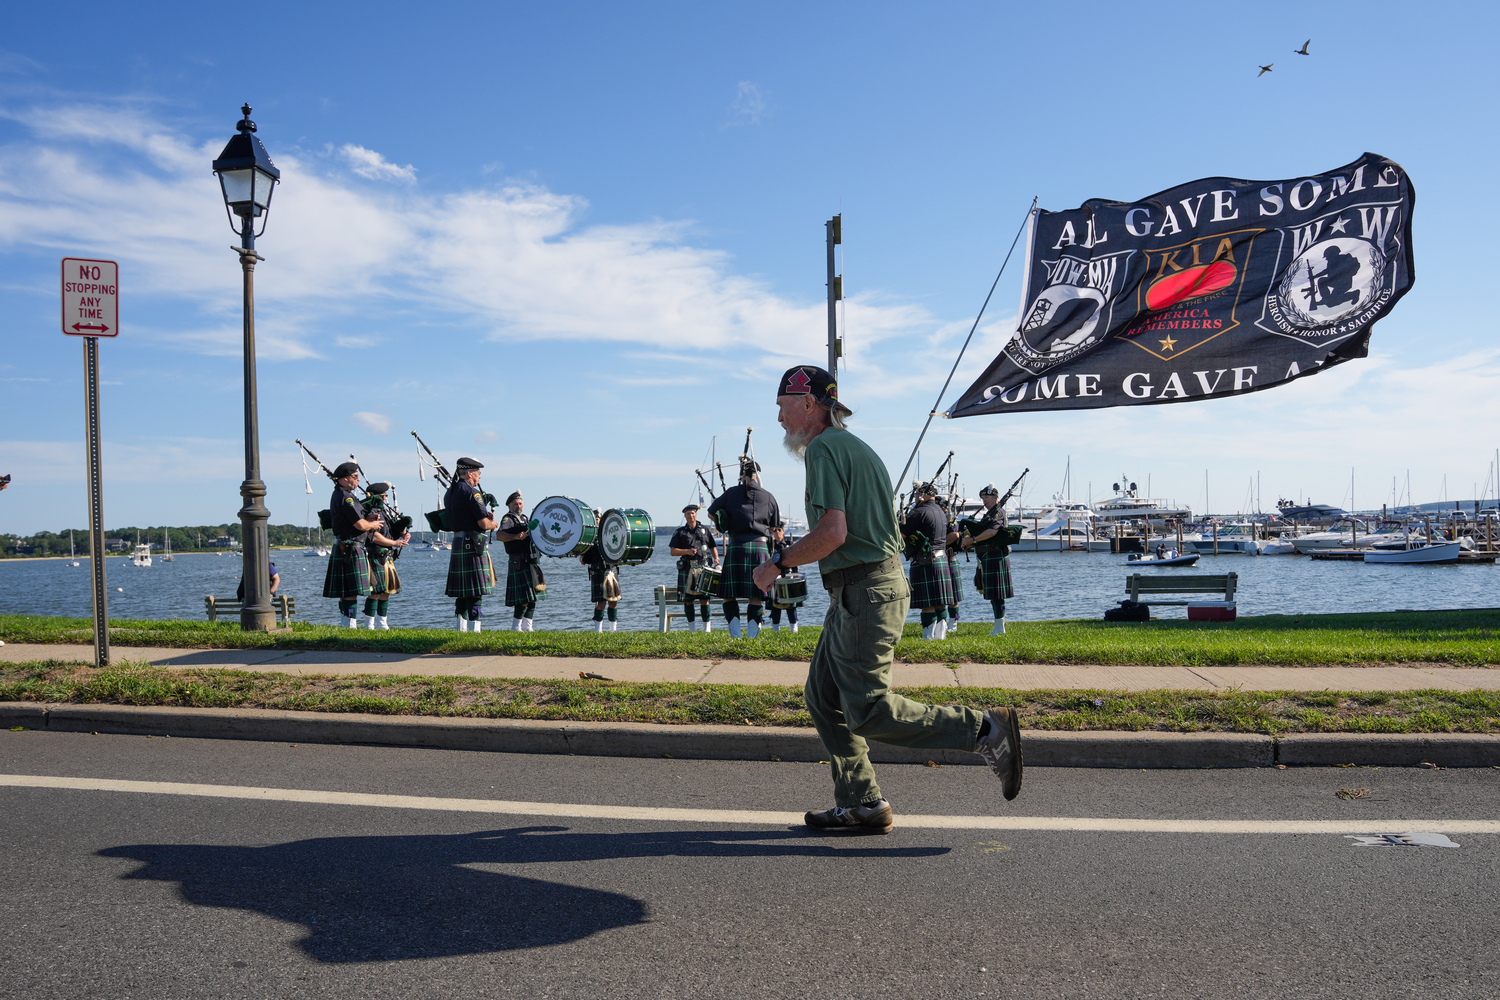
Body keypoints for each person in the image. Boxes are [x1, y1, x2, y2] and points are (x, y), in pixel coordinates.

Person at [752, 365, 1022, 833]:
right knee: (822, 696)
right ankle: (862, 802)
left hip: (865, 590)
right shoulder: (855, 447)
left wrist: (778, 563)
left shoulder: (823, 449)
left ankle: (983, 729)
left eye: (782, 406)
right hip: (863, 588)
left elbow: (832, 533)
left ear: (808, 404)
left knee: (869, 709)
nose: (779, 418)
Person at [708, 457, 779, 638]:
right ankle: (753, 636)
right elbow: (774, 527)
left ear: (742, 476)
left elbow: (711, 512)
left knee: (729, 595)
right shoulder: (768, 496)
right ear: (756, 476)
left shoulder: (731, 493)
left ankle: (736, 635)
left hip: (736, 545)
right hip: (760, 547)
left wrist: (725, 522)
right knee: (756, 593)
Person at [323, 461, 383, 627]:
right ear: (344, 479)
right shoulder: (346, 497)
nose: (358, 480)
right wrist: (373, 525)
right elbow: (360, 526)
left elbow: (355, 519)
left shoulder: (341, 495)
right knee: (350, 592)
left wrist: (367, 519)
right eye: (355, 477)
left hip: (345, 546)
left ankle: (346, 624)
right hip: (350, 548)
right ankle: (350, 625)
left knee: (346, 592)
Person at [444, 458, 498, 632]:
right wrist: (493, 524)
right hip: (473, 544)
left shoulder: (449, 492)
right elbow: (483, 524)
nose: (479, 477)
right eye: (478, 473)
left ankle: (461, 628)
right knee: (475, 590)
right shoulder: (472, 492)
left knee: (461, 591)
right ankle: (476, 629)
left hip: (458, 542)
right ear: (469, 473)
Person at [960, 483, 1016, 636]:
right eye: (983, 498)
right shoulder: (990, 513)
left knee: (997, 595)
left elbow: (992, 532)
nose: (984, 500)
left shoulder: (998, 513)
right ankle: (999, 626)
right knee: (993, 594)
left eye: (987, 497)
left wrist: (972, 540)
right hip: (988, 556)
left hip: (996, 556)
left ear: (996, 498)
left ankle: (1000, 628)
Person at [901, 481, 955, 640]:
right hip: (941, 558)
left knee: (927, 604)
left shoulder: (918, 511)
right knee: (939, 602)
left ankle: (928, 638)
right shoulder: (939, 511)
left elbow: (901, 534)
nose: (916, 496)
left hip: (924, 561)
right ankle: (940, 637)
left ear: (923, 495)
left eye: (918, 494)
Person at [360, 482, 410, 630]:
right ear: (378, 497)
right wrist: (395, 543)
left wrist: (404, 534)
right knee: (376, 591)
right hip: (376, 554)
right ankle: (369, 625)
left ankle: (382, 624)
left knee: (386, 591)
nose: (386, 499)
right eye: (384, 496)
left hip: (386, 556)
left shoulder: (385, 513)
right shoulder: (372, 513)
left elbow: (390, 532)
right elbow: (373, 536)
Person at [497, 491, 542, 632]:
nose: (518, 506)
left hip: (531, 559)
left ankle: (528, 627)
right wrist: (516, 536)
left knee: (533, 596)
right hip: (518, 561)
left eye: (520, 503)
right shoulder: (508, 519)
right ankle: (516, 626)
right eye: (515, 504)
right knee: (524, 597)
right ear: (509, 505)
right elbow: (499, 535)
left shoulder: (525, 518)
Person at [668, 504, 718, 632]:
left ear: (696, 514)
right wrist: (686, 551)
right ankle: (692, 630)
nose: (691, 515)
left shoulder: (705, 530)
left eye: (693, 513)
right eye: (689, 513)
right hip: (687, 569)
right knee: (688, 601)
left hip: (703, 567)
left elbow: (712, 546)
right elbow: (673, 552)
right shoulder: (680, 532)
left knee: (704, 599)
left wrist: (716, 559)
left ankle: (707, 630)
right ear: (685, 515)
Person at [580, 510, 621, 632]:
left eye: (599, 518)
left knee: (613, 602)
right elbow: (585, 558)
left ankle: (613, 631)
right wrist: (583, 558)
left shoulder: (612, 534)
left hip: (611, 571)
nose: (597, 521)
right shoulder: (590, 538)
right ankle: (598, 630)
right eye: (596, 519)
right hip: (597, 571)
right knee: (601, 603)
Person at [767, 523, 799, 633]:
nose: (777, 532)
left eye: (779, 530)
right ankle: (776, 629)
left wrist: (796, 576)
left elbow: (795, 562)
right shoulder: (770, 546)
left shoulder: (790, 544)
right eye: (774, 531)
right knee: (775, 605)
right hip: (774, 578)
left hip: (789, 577)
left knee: (791, 605)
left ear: (783, 531)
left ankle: (794, 629)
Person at [943, 503, 965, 634]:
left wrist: (937, 544)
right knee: (939, 595)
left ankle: (953, 622)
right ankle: (942, 623)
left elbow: (955, 535)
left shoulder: (952, 522)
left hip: (950, 559)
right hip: (939, 559)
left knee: (953, 596)